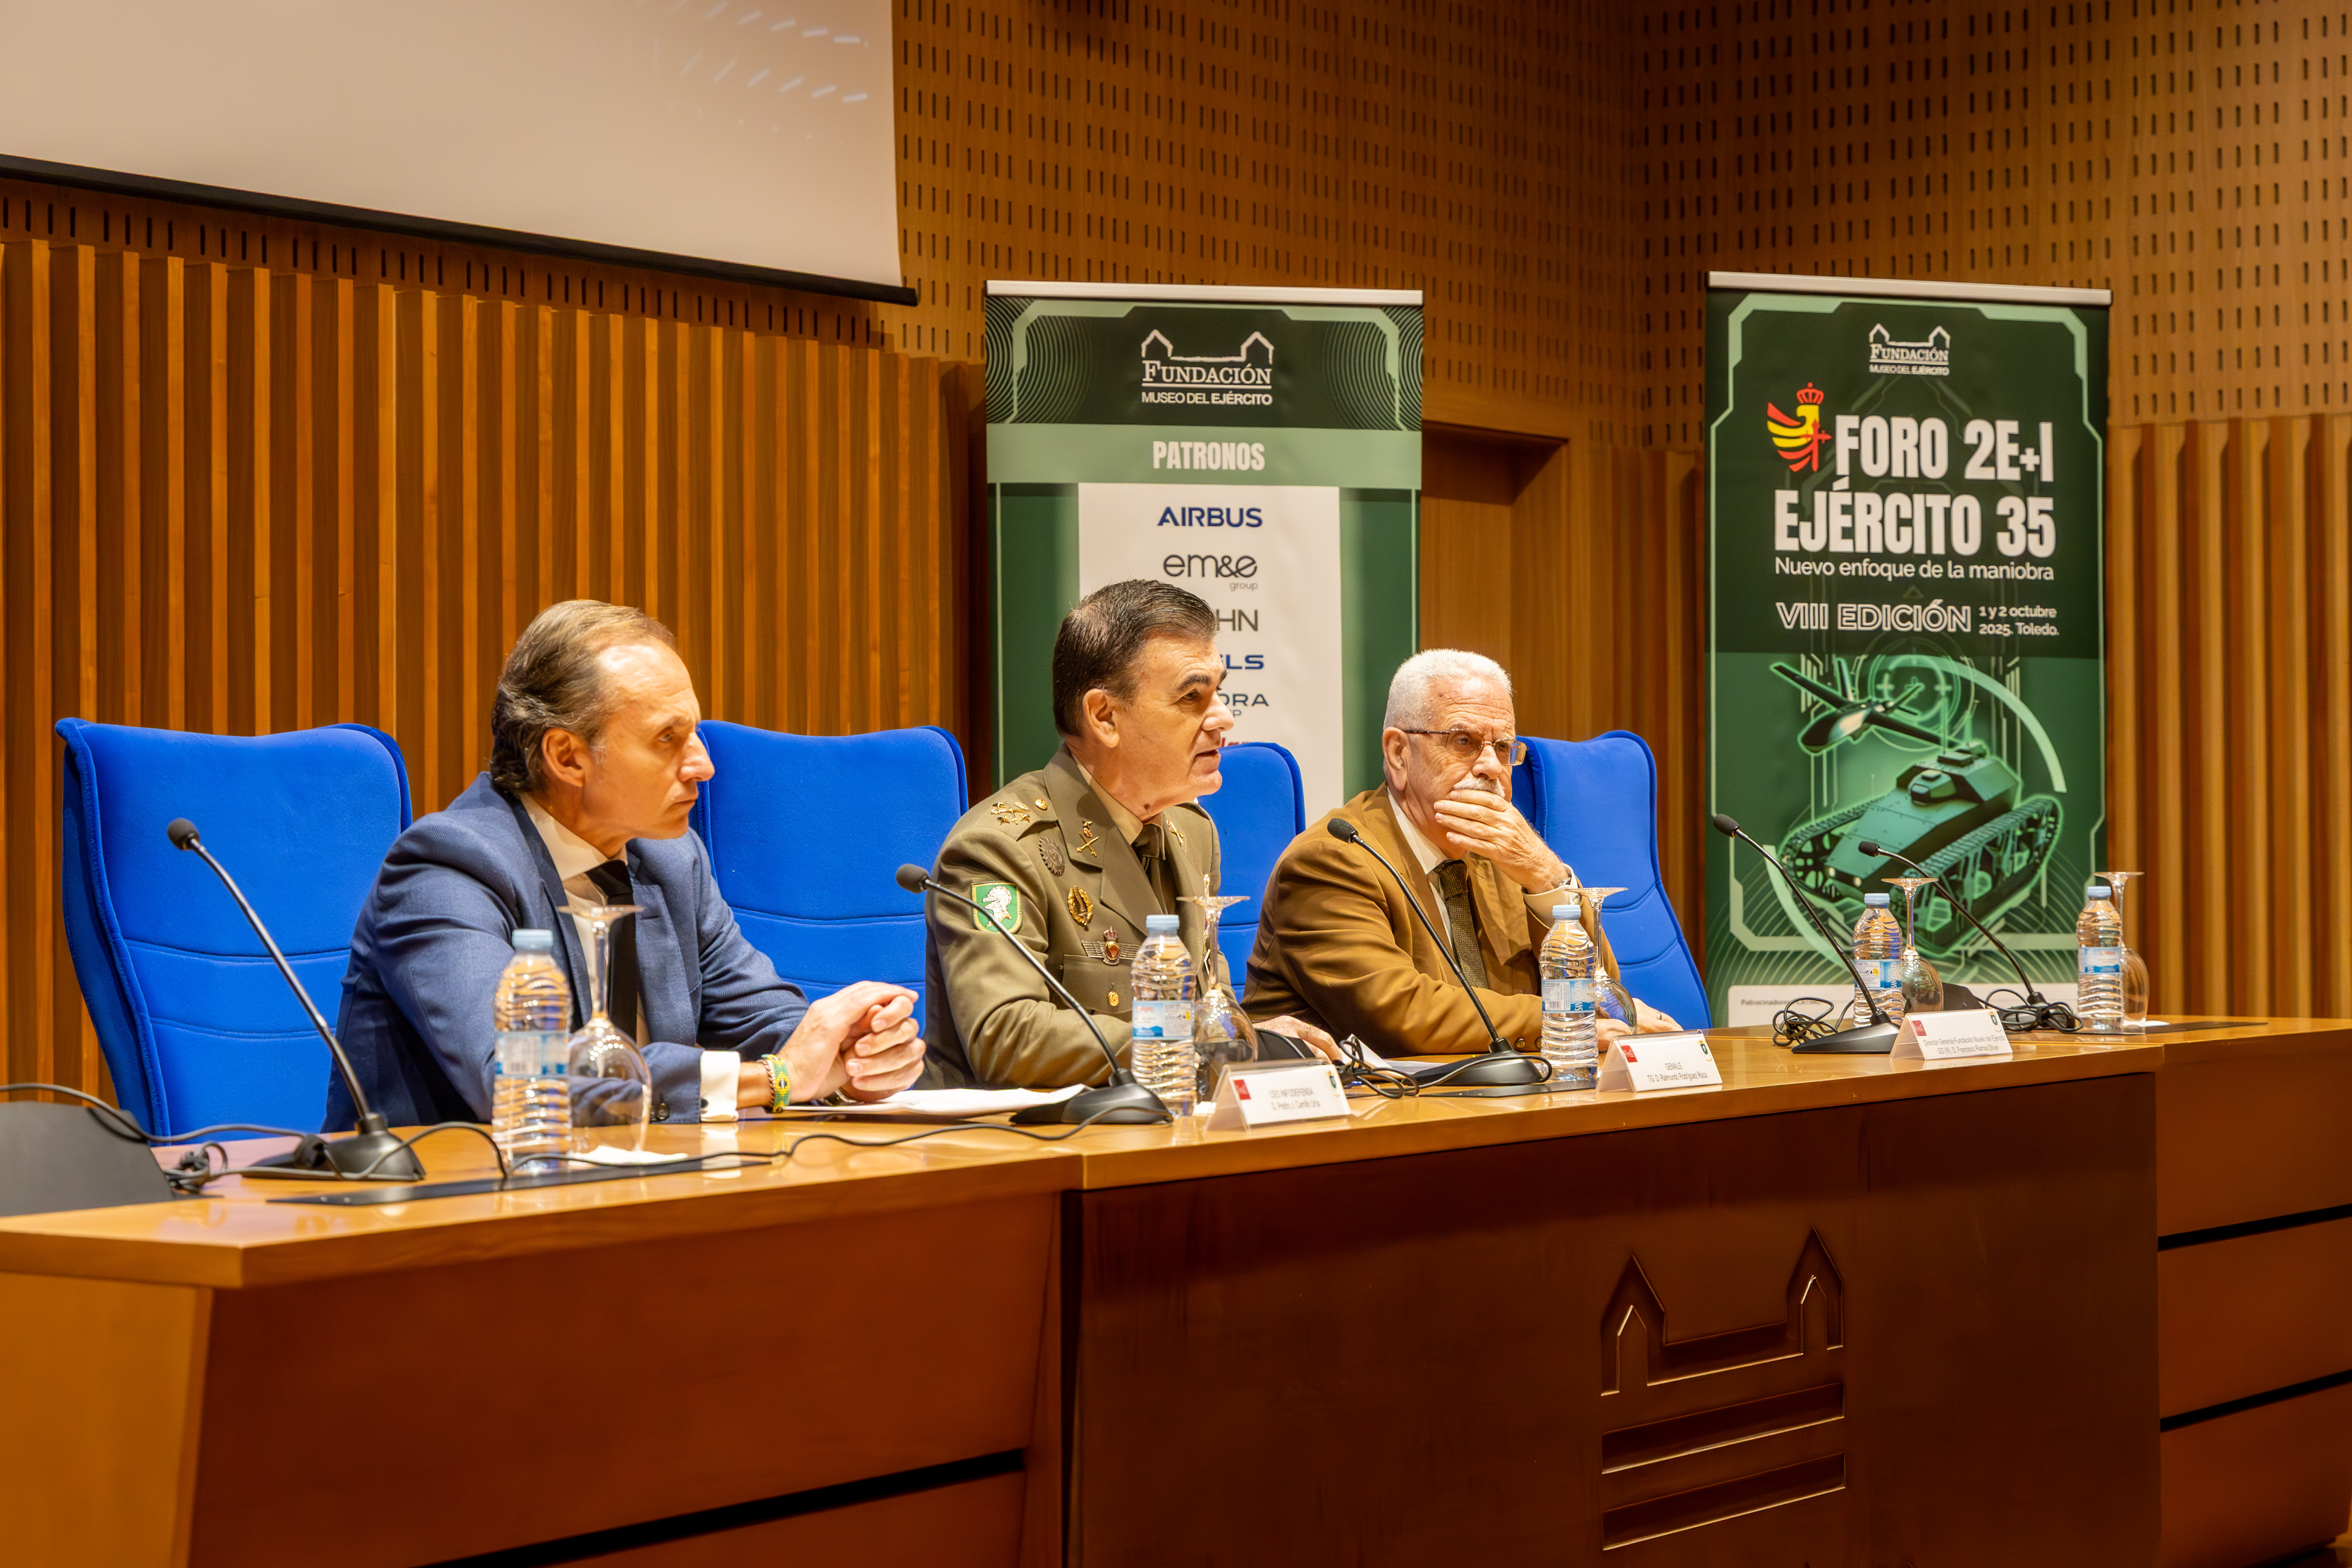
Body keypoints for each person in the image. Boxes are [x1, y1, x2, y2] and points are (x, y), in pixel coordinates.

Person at [328, 600, 925, 1130]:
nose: (703, 765)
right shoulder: (448, 869)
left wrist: (855, 1052)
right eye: (668, 739)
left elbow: (763, 1018)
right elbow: (523, 1081)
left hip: (636, 1195)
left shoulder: (670, 857)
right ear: (568, 756)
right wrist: (780, 1078)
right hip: (454, 1219)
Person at [922, 579, 1332, 1088]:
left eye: (1219, 692)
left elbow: (1205, 1002)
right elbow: (1007, 1038)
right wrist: (1200, 1046)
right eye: (1192, 697)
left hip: (1174, 1133)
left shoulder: (1193, 830)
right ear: (1105, 717)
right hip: (1035, 1150)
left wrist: (1251, 1036)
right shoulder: (1001, 850)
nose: (1223, 718)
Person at [1243, 648, 1682, 1058]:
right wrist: (1566, 1019)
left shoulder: (1505, 854)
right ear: (1399, 754)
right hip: (1367, 1120)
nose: (1492, 766)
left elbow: (1603, 992)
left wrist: (1547, 876)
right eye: (1464, 741)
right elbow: (1405, 1015)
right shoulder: (1332, 861)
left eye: (1504, 747)